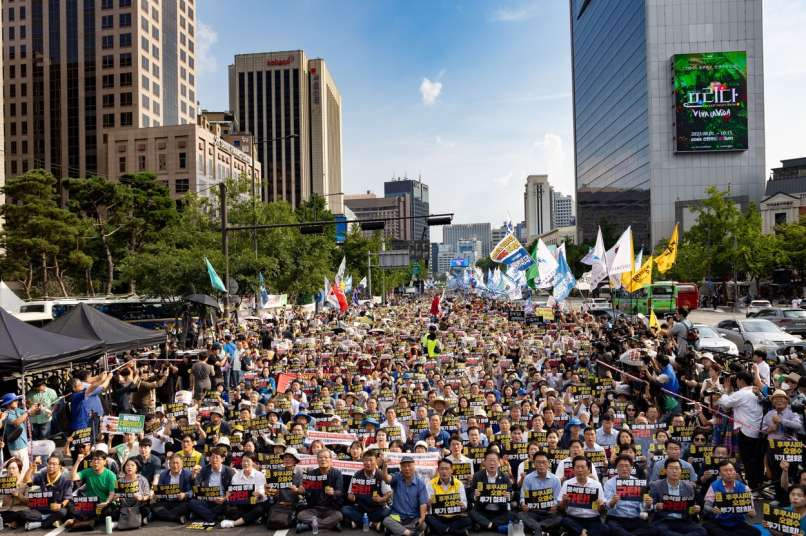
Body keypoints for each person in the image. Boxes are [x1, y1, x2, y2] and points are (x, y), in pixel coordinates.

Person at [717, 370, 764, 490]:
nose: (735, 382)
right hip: (757, 431)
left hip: (746, 431)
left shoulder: (742, 393)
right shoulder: (755, 392)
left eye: (736, 379)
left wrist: (725, 390)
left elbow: (725, 403)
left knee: (748, 460)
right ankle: (758, 483)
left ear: (741, 380)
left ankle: (753, 486)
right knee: (756, 459)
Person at [648, 459, 706, 536]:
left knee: (701, 531)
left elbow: (693, 507)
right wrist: (655, 506)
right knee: (659, 531)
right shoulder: (656, 486)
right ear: (665, 470)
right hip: (664, 520)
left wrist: (696, 508)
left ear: (681, 471)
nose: (674, 471)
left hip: (684, 520)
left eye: (677, 468)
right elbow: (649, 507)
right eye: (671, 468)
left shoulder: (689, 487)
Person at [603, 454, 655, 536]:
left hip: (635, 518)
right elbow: (606, 506)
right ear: (616, 468)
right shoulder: (609, 483)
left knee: (653, 529)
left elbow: (643, 507)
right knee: (611, 528)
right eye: (621, 466)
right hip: (616, 518)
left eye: (627, 466)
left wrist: (648, 504)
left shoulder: (638, 483)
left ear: (631, 467)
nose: (624, 469)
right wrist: (612, 502)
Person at [702, 460, 757, 536]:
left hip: (737, 523)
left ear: (735, 472)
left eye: (731, 470)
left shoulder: (744, 488)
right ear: (720, 474)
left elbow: (753, 514)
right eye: (725, 471)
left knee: (756, 533)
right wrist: (712, 509)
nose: (729, 473)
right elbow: (706, 506)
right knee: (706, 528)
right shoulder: (714, 486)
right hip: (719, 522)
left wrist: (751, 512)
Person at [342, 449, 391, 530]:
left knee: (389, 511)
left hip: (376, 509)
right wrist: (351, 496)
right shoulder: (356, 475)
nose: (368, 463)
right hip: (361, 509)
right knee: (345, 509)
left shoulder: (380, 475)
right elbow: (350, 493)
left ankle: (359, 522)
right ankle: (373, 524)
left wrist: (382, 499)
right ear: (362, 461)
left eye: (371, 460)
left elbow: (389, 493)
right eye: (366, 460)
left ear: (376, 461)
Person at [297, 448, 344, 533]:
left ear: (331, 459)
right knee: (301, 515)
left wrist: (333, 492)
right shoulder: (311, 474)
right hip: (315, 508)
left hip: (331, 509)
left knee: (339, 516)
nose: (323, 459)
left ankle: (309, 526)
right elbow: (307, 493)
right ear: (317, 460)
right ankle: (331, 525)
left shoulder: (337, 473)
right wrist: (302, 491)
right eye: (321, 457)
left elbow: (340, 492)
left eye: (326, 457)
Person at [68, 450, 118, 527]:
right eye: (94, 459)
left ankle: (84, 520)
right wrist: (78, 461)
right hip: (91, 503)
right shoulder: (88, 471)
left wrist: (106, 502)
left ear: (105, 462)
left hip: (104, 504)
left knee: (108, 511)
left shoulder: (111, 475)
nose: (95, 462)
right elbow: (73, 477)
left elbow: (112, 492)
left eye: (98, 459)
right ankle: (89, 519)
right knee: (72, 506)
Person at [381, 455, 428, 536]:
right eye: (404, 466)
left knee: (424, 524)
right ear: (401, 468)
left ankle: (400, 531)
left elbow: (423, 504)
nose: (407, 468)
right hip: (397, 517)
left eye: (409, 465)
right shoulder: (397, 476)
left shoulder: (420, 483)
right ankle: (409, 533)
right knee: (386, 520)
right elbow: (386, 479)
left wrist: (422, 518)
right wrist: (385, 466)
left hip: (413, 517)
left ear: (414, 466)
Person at [22, 455, 73, 531]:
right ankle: (51, 519)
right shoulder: (42, 475)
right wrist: (31, 467)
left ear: (60, 466)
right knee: (25, 514)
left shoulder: (66, 478)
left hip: (58, 507)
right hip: (44, 506)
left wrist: (60, 505)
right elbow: (27, 481)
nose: (51, 466)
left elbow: (68, 498)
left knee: (63, 512)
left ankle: (39, 524)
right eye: (49, 463)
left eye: (54, 464)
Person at [559, 456, 606, 536]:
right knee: (564, 521)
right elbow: (561, 509)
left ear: (588, 469)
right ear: (573, 469)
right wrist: (564, 502)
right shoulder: (567, 484)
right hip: (573, 518)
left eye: (583, 467)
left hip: (592, 519)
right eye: (577, 467)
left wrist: (600, 505)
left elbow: (601, 510)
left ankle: (581, 533)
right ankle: (582, 532)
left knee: (605, 529)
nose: (580, 470)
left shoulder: (596, 485)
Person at [518, 450, 562, 535]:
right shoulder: (528, 478)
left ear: (549, 463)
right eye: (538, 462)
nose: (541, 465)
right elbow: (523, 496)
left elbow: (557, 499)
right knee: (520, 515)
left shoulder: (556, 480)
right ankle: (542, 529)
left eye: (544, 462)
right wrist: (523, 504)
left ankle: (536, 528)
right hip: (533, 511)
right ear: (534, 464)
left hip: (549, 513)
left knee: (559, 518)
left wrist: (555, 505)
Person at [425, 458, 472, 536]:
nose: (444, 471)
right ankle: (454, 532)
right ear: (438, 470)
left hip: (454, 517)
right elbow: (428, 506)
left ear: (451, 470)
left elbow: (465, 506)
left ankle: (442, 531)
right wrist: (428, 503)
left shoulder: (458, 483)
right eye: (442, 469)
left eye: (447, 469)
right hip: (438, 517)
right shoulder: (431, 484)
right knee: (428, 518)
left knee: (468, 520)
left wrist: (462, 505)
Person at [469, 450, 513, 531]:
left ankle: (486, 525)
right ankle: (494, 526)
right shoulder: (477, 476)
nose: (492, 463)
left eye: (494, 460)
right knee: (472, 513)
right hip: (483, 511)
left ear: (499, 462)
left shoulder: (505, 477)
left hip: (499, 512)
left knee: (511, 515)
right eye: (489, 460)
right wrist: (475, 495)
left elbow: (510, 495)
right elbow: (471, 495)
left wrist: (508, 496)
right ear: (484, 462)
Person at [220, 453, 267, 528]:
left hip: (256, 504)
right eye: (243, 461)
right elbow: (233, 493)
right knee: (227, 509)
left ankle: (234, 523)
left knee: (261, 509)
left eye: (248, 461)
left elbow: (263, 495)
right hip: (242, 505)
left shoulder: (259, 475)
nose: (245, 463)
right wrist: (229, 495)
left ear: (253, 463)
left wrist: (259, 494)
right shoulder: (236, 476)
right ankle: (251, 519)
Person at [188, 447, 233, 522]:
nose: (214, 460)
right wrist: (194, 476)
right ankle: (213, 516)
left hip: (221, 501)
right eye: (212, 457)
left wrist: (225, 498)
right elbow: (196, 485)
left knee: (227, 505)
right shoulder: (205, 469)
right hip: (207, 500)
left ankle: (203, 515)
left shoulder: (229, 471)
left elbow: (233, 489)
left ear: (222, 459)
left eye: (216, 458)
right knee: (192, 503)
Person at [151, 454, 193, 524]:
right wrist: (156, 494)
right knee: (154, 506)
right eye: (173, 463)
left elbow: (192, 491)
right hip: (166, 501)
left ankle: (162, 516)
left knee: (188, 506)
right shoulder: (163, 474)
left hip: (180, 502)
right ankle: (177, 518)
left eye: (177, 463)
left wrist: (185, 494)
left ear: (182, 464)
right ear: (169, 464)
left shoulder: (187, 474)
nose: (175, 465)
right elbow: (159, 490)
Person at [1, 393, 31, 473]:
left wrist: (35, 408)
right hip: (16, 446)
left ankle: (20, 482)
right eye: (14, 401)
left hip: (22, 444)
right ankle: (21, 483)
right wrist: (28, 413)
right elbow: (16, 422)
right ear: (8, 404)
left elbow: (28, 413)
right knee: (22, 468)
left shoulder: (17, 410)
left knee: (24, 467)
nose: (17, 402)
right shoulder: (6, 414)